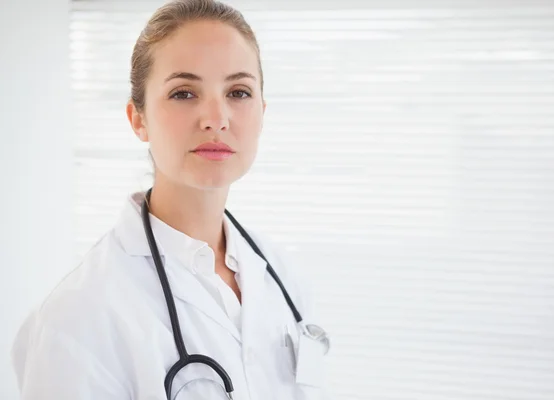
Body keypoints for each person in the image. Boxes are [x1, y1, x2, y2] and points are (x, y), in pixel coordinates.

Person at [10, 1, 331, 399]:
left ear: (262, 113)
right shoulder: (79, 316)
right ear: (138, 119)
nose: (216, 117)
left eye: (238, 91)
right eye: (183, 93)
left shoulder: (282, 275)